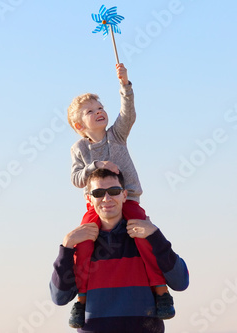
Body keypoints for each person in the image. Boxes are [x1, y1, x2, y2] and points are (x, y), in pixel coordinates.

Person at [66, 63, 174, 328]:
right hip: (97, 206)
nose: (99, 112)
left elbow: (128, 114)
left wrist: (125, 85)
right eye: (90, 111)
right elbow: (76, 178)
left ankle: (161, 292)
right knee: (84, 244)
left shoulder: (117, 134)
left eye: (100, 107)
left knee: (144, 239)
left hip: (131, 200)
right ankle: (81, 300)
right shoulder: (80, 148)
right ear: (80, 124)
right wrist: (96, 166)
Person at [49, 169, 189, 333]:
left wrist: (156, 236)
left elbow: (181, 282)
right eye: (98, 193)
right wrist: (66, 247)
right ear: (89, 198)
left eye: (114, 191)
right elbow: (59, 297)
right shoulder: (81, 244)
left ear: (124, 195)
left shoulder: (145, 236)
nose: (106, 198)